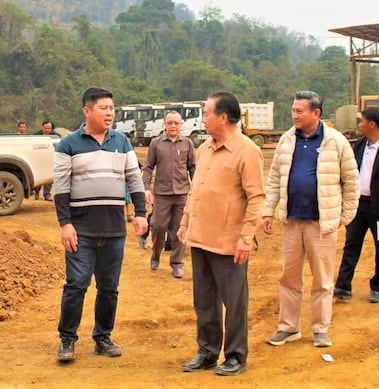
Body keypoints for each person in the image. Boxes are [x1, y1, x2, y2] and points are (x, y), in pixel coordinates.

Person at [53, 87, 148, 363]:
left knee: (109, 288)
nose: (110, 113)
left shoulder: (122, 141)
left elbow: (134, 178)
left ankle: (103, 337)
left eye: (111, 108)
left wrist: (141, 213)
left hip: (114, 230)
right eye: (103, 108)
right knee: (76, 285)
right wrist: (65, 224)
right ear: (87, 111)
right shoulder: (68, 145)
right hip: (81, 231)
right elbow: (61, 187)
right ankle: (67, 339)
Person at [177, 91, 265, 377]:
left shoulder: (247, 150)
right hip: (201, 237)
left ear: (223, 117)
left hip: (229, 242)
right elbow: (195, 191)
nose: (203, 119)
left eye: (207, 113)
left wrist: (247, 237)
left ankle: (236, 355)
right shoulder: (204, 148)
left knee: (234, 302)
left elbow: (256, 198)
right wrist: (185, 222)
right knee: (204, 300)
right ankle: (207, 351)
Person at [263, 90, 359, 349]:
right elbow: (274, 178)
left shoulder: (336, 141)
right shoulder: (286, 140)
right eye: (293, 110)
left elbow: (352, 181)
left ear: (316, 113)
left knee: (323, 280)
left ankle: (320, 329)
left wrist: (344, 216)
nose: (294, 115)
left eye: (299, 111)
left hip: (321, 224)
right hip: (292, 222)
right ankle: (288, 328)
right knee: (289, 277)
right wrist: (268, 210)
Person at [334, 107, 379, 304]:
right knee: (351, 244)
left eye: (362, 120)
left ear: (372, 124)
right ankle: (343, 286)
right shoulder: (359, 145)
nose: (359, 124)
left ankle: (377, 287)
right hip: (358, 205)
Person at [142, 110, 196, 278]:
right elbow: (148, 167)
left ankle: (177, 263)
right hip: (162, 193)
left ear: (181, 125)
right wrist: (146, 188)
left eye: (176, 123)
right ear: (164, 124)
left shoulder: (187, 143)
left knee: (181, 228)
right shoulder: (156, 143)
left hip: (182, 193)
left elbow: (193, 168)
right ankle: (155, 255)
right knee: (158, 226)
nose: (173, 126)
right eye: (170, 122)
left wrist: (196, 190)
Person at [32, 120, 61, 200]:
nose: (47, 130)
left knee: (48, 177)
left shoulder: (56, 136)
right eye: (46, 128)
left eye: (49, 128)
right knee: (38, 176)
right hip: (38, 158)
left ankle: (47, 194)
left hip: (50, 158)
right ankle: (36, 192)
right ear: (42, 127)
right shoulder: (36, 135)